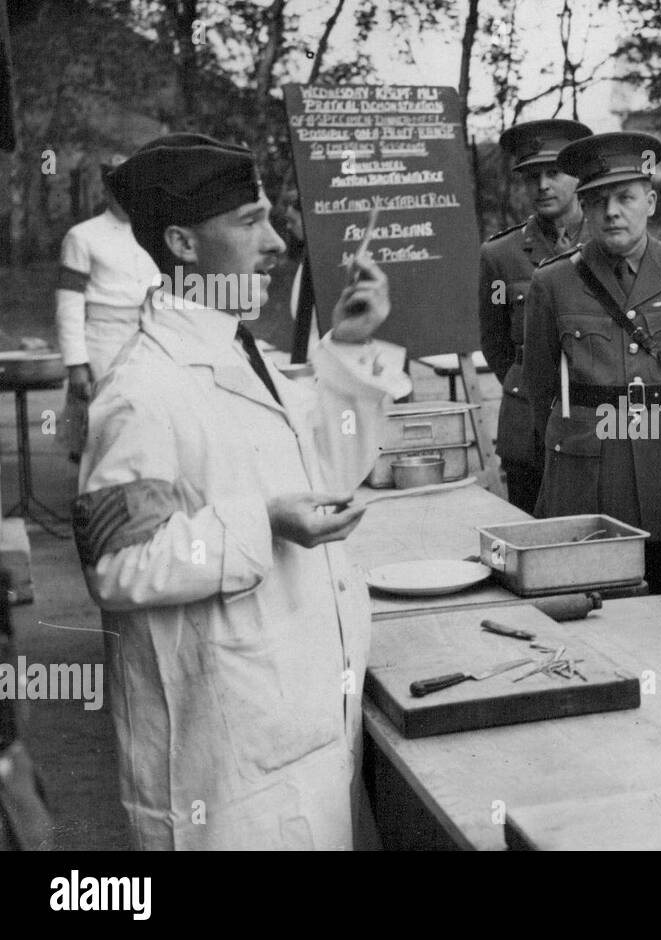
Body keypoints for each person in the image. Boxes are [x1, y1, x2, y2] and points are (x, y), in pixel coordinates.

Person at [75, 133, 411, 850]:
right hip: (222, 769)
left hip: (289, 725)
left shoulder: (233, 348)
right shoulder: (141, 391)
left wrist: (349, 351)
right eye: (249, 220)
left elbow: (322, 475)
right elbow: (116, 565)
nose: (277, 242)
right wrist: (264, 524)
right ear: (182, 244)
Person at [523, 132, 661, 609]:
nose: (612, 211)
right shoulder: (552, 283)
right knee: (600, 623)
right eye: (597, 200)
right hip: (592, 483)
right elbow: (540, 388)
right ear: (584, 209)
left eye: (625, 197)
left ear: (649, 202)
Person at [480, 119, 591, 512]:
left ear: (578, 176)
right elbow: (496, 345)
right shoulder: (499, 256)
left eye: (554, 173)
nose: (542, 185)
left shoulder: (610, 242)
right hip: (528, 427)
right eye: (532, 177)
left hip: (596, 422)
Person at [54, 157, 158, 456]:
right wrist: (76, 364)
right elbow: (69, 304)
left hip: (150, 337)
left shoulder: (155, 231)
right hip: (103, 341)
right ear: (108, 190)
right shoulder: (83, 236)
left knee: (147, 428)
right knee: (103, 432)